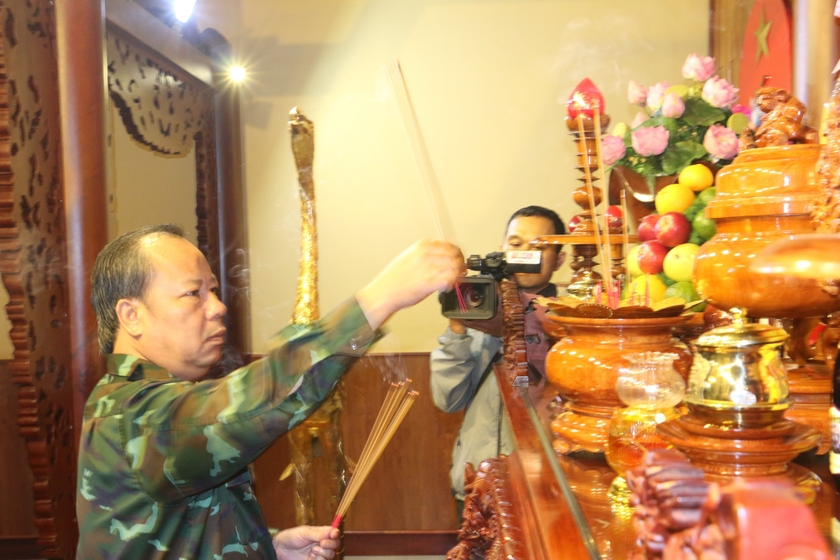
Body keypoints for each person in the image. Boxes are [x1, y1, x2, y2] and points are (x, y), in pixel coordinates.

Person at [76, 224, 464, 559]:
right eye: (193, 293)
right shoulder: (135, 414)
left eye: (213, 291)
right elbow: (257, 399)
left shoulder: (148, 403)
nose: (218, 307)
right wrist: (382, 298)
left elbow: (174, 530)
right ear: (131, 315)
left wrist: (263, 546)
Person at [429, 206, 566, 512]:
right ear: (502, 249)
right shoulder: (477, 307)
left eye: (539, 246)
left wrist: (516, 329)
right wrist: (457, 328)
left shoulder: (569, 319)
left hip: (539, 488)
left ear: (559, 260)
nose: (523, 254)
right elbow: (447, 399)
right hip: (475, 485)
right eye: (516, 245)